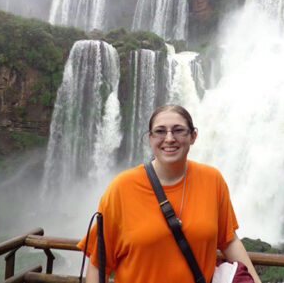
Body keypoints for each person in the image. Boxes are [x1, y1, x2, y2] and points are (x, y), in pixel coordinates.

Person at [78, 104, 262, 283]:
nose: (169, 138)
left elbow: (229, 241)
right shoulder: (121, 188)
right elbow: (98, 264)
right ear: (150, 138)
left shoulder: (212, 180)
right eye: (160, 131)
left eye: (178, 130)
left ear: (193, 136)